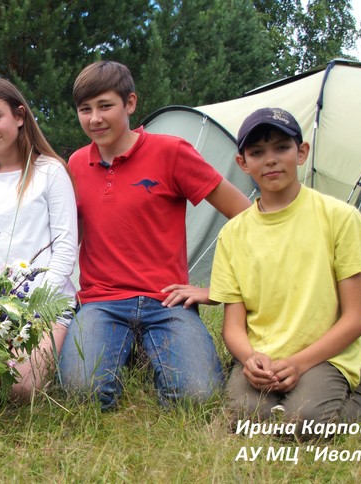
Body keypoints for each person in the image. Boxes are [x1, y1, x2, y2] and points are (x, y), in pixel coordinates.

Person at [58, 60, 251, 410]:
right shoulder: (75, 164)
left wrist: (218, 290)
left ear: (130, 103)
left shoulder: (171, 152)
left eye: (105, 106)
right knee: (82, 394)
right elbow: (71, 237)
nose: (95, 119)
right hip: (101, 301)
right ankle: (131, 351)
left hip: (166, 301)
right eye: (85, 109)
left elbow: (245, 216)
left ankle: (152, 349)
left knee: (197, 398)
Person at [210, 108, 361, 441]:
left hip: (324, 356)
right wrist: (249, 358)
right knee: (247, 420)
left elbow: (355, 317)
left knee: (303, 424)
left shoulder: (340, 218)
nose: (271, 160)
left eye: (282, 148)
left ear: (301, 152)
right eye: (257, 152)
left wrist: (300, 363)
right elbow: (233, 326)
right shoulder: (232, 234)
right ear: (243, 163)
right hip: (264, 357)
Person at [0, 78, 77, 400]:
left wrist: (37, 307)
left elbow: (65, 248)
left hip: (45, 307)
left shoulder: (50, 172)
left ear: (20, 115)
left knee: (20, 387)